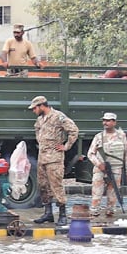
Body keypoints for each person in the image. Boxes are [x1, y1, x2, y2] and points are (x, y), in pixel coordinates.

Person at [28, 95, 79, 226]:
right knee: (43, 186)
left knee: (56, 186)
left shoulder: (58, 116)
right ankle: (48, 213)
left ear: (41, 106)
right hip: (42, 158)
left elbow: (73, 130)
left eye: (35, 108)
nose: (34, 111)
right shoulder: (40, 119)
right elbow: (37, 130)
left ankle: (62, 215)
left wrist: (66, 146)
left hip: (54, 159)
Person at [86, 112, 127, 218]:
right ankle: (94, 213)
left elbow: (126, 155)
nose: (105, 123)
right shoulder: (98, 137)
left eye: (108, 120)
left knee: (113, 194)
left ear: (114, 122)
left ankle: (110, 214)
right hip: (100, 169)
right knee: (97, 193)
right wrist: (99, 164)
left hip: (116, 169)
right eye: (104, 120)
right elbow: (90, 154)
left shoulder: (121, 136)